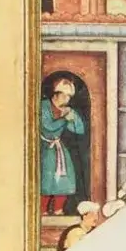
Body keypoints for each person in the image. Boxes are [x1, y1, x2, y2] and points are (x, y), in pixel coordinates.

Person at [41, 78, 86, 216]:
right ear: (56, 94)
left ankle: (58, 209)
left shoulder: (66, 109)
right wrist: (64, 119)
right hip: (44, 147)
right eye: (65, 95)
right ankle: (42, 209)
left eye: (69, 97)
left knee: (65, 177)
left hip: (58, 148)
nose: (67, 99)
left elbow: (79, 130)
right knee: (46, 178)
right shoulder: (43, 106)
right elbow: (48, 127)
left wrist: (74, 118)